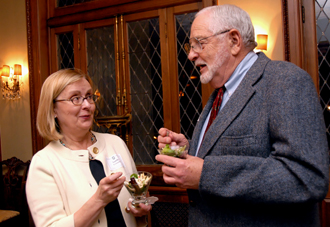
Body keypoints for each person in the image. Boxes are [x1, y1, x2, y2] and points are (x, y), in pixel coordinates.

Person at [156, 4, 329, 227]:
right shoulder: (219, 94)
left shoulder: (285, 80)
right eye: (190, 45)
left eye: (200, 43)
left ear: (234, 41)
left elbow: (306, 178)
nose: (190, 54)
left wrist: (205, 173)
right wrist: (190, 149)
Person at [26, 68, 151, 227]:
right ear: (53, 109)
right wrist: (99, 200)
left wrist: (139, 210)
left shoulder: (116, 143)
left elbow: (138, 196)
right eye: (75, 98)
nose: (87, 105)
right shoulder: (44, 163)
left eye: (89, 97)